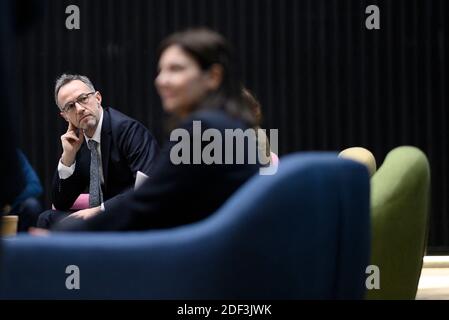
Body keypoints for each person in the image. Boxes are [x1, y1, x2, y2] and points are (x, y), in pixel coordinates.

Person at [50, 28, 261, 232]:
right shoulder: (228, 123)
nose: (161, 81)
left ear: (213, 76)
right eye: (161, 71)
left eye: (176, 69)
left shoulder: (204, 130)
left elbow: (147, 199)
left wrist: (73, 233)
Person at [36, 74, 160, 228]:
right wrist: (67, 157)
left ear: (98, 98)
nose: (80, 109)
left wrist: (100, 210)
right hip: (104, 219)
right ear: (65, 116)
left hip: (129, 215)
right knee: (47, 219)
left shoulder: (129, 131)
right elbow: (61, 203)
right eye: (70, 106)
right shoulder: (78, 142)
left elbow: (147, 186)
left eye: (83, 99)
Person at [2, 150, 43, 232]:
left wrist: (9, 202)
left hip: (12, 207)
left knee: (31, 205)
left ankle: (28, 243)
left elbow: (35, 187)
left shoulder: (14, 155)